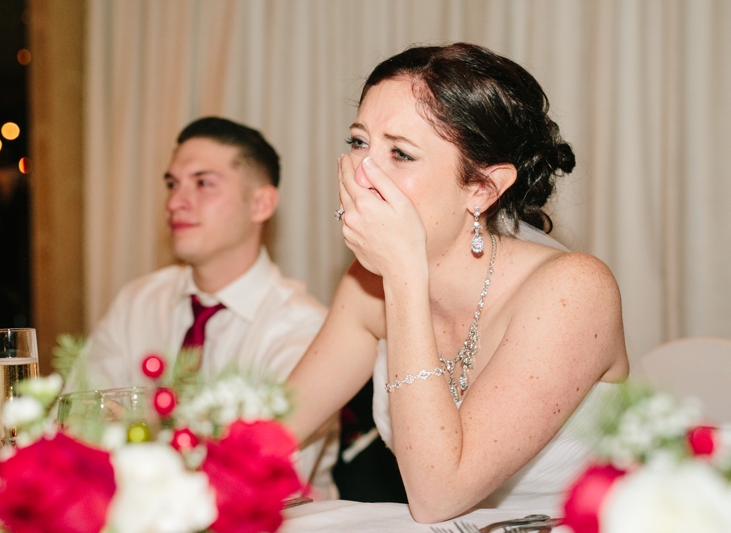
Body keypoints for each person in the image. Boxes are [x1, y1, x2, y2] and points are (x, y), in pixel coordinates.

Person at [287, 43, 629, 522]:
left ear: (481, 189)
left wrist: (404, 274)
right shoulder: (365, 285)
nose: (362, 174)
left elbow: (439, 495)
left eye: (401, 153)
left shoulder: (575, 290)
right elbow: (266, 436)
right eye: (359, 142)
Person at [73, 117, 338, 499]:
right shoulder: (139, 301)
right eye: (172, 184)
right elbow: (77, 419)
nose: (175, 202)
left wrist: (132, 432)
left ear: (261, 204)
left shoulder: (303, 328)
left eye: (203, 183)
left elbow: (260, 480)